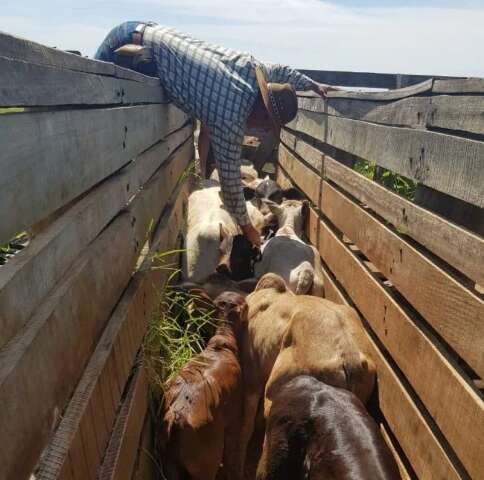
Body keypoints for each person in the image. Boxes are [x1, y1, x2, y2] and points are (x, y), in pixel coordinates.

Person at [95, 22, 335, 247]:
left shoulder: (250, 68)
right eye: (267, 125)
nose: (262, 131)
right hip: (131, 54)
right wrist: (249, 229)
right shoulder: (230, 116)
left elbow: (282, 71)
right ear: (263, 113)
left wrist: (312, 84)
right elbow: (230, 182)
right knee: (91, 132)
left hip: (138, 31)